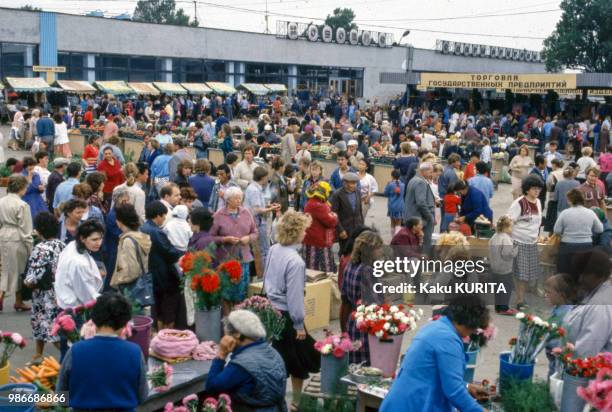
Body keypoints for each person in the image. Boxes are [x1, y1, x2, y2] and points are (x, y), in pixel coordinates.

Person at [380, 297, 490, 412]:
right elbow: (454, 391)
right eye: (475, 328)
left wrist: (466, 386)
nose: (473, 332)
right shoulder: (448, 339)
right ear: (470, 322)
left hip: (403, 401)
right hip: (414, 405)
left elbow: (436, 373)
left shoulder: (435, 327)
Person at [264, 211, 319, 410]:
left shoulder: (274, 249)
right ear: (296, 232)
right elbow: (294, 296)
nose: (306, 234)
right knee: (297, 362)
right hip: (288, 314)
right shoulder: (296, 261)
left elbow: (266, 276)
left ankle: (284, 399)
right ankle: (294, 402)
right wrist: (298, 323)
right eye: (304, 230)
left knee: (282, 356)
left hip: (271, 308)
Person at [56, 293, 149, 410]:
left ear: (94, 318)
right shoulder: (134, 352)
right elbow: (143, 396)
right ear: (125, 322)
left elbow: (61, 397)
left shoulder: (75, 351)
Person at [205, 309, 287, 411]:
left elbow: (212, 387)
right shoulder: (272, 352)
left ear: (237, 334)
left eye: (226, 334)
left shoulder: (242, 364)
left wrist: (221, 354)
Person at [24, 212, 65, 362]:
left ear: (39, 229)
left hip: (43, 293)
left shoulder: (40, 248)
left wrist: (26, 283)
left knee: (47, 326)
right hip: (58, 289)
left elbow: (33, 276)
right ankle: (38, 354)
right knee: (50, 323)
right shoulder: (61, 244)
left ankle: (70, 356)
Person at [210, 187, 258, 312]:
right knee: (226, 291)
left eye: (240, 198)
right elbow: (211, 237)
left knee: (241, 292)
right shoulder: (219, 215)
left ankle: (239, 320)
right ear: (227, 200)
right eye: (236, 198)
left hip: (244, 259)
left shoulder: (246, 212)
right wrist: (225, 239)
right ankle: (227, 320)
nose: (239, 200)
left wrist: (248, 238)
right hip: (226, 260)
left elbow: (255, 232)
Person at [342, 230, 385, 365]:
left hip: (353, 322)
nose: (381, 252)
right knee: (369, 368)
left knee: (356, 365)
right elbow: (377, 301)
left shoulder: (349, 266)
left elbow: (344, 297)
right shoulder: (368, 270)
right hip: (368, 325)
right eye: (379, 248)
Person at [141, 201, 185, 329]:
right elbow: (169, 251)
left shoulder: (143, 228)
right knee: (168, 311)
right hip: (164, 275)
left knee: (158, 310)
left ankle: (160, 336)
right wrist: (183, 252)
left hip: (152, 274)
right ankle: (168, 339)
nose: (164, 219)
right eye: (164, 216)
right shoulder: (156, 232)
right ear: (158, 216)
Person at [564, 249, 612, 357]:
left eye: (585, 275)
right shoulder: (596, 293)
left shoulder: (600, 305)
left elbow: (587, 350)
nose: (580, 279)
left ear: (599, 275)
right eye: (580, 273)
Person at [507, 175, 544, 310]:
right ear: (527, 189)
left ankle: (520, 296)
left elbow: (538, 222)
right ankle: (520, 300)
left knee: (529, 274)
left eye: (539, 188)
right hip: (519, 241)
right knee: (521, 274)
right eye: (534, 188)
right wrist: (510, 240)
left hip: (532, 242)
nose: (537, 191)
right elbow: (509, 222)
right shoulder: (519, 203)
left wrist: (537, 236)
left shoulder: (538, 202)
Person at [0, 175, 33, 311]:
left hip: (3, 234)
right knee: (19, 271)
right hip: (17, 237)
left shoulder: (1, 201)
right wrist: (31, 247)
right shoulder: (22, 205)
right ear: (21, 188)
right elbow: (26, 230)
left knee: (5, 268)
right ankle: (6, 298)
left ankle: (17, 301)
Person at [55, 219, 105, 310]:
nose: (99, 243)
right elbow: (87, 297)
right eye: (94, 239)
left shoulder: (72, 245)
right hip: (76, 308)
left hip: (67, 302)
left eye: (101, 238)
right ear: (82, 238)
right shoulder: (80, 264)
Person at [553, 189, 603, 275]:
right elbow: (600, 229)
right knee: (582, 274)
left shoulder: (565, 213)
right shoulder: (590, 213)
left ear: (570, 200)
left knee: (565, 274)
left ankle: (566, 288)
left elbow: (556, 230)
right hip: (586, 247)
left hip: (567, 247)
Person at [110, 203, 151, 296]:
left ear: (120, 221)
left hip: (130, 288)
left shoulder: (128, 241)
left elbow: (132, 270)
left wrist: (118, 280)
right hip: (141, 284)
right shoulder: (140, 236)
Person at [245, 166, 279, 270]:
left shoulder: (253, 187)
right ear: (263, 177)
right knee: (264, 249)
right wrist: (271, 209)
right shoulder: (255, 190)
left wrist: (268, 206)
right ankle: (265, 273)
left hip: (254, 221)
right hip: (258, 222)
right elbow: (257, 210)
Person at [302, 181, 338, 273]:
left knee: (310, 266)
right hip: (319, 242)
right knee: (323, 269)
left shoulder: (311, 202)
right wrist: (334, 216)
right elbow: (331, 222)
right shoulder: (318, 205)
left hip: (311, 240)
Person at [543, 274, 574, 377]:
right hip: (553, 359)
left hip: (558, 361)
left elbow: (562, 340)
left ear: (561, 295)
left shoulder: (566, 314)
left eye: (549, 292)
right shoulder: (557, 308)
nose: (545, 295)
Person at [403, 162, 436, 255]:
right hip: (419, 219)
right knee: (423, 245)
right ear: (423, 171)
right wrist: (430, 216)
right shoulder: (421, 182)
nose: (431, 174)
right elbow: (421, 203)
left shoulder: (413, 179)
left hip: (411, 217)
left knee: (412, 243)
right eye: (430, 172)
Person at [489, 216, 518, 315]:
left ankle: (497, 307)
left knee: (498, 288)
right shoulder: (506, 239)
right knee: (506, 288)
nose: (512, 229)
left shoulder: (495, 236)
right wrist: (515, 250)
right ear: (506, 227)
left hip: (494, 267)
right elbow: (507, 254)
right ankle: (504, 308)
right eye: (511, 227)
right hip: (504, 268)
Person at [330, 172, 364, 256]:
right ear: (345, 183)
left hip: (357, 228)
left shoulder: (358, 193)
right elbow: (334, 214)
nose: (354, 185)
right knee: (345, 251)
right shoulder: (337, 194)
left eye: (355, 183)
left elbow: (360, 211)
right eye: (352, 183)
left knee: (356, 252)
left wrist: (362, 227)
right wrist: (340, 230)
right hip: (345, 230)